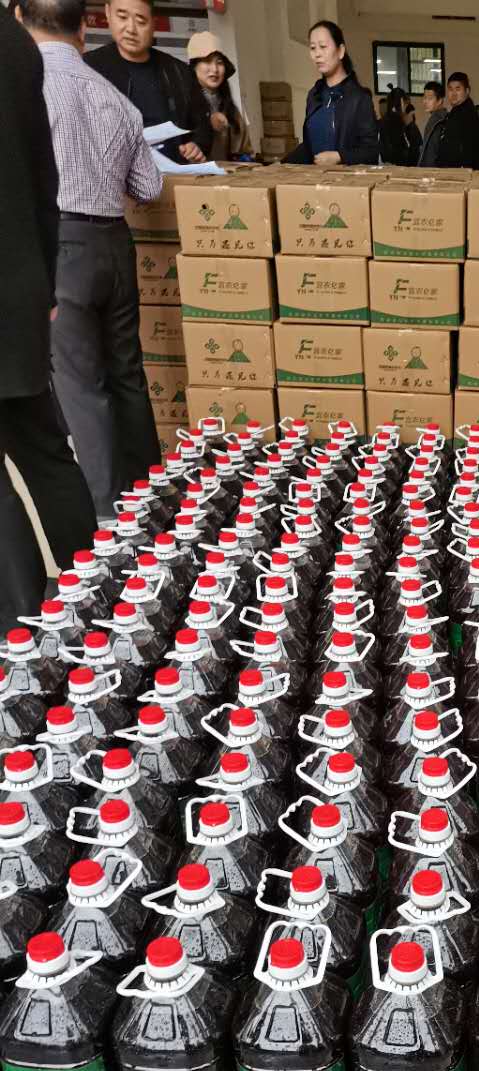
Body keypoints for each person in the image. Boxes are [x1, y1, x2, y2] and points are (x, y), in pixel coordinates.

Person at [18, 0, 164, 521]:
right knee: (127, 375)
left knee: (82, 387)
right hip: (115, 245)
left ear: (21, 20)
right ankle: (154, 498)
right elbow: (148, 186)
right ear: (85, 27)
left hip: (61, 247)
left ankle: (111, 518)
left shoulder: (27, 88)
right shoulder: (113, 96)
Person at [0, 4, 96, 624]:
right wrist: (43, 287)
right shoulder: (14, 43)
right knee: (46, 450)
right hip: (20, 285)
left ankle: (22, 634)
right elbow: (44, 179)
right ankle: (99, 591)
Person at [84, 0, 211, 163]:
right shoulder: (87, 69)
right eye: (122, 17)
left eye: (140, 21)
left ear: (153, 23)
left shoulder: (178, 72)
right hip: (112, 175)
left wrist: (197, 145)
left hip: (172, 174)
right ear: (108, 13)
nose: (131, 29)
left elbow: (202, 126)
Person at [286, 20, 378, 167]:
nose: (317, 54)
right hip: (315, 177)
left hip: (346, 179)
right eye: (313, 48)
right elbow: (309, 146)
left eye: (323, 46)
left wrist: (340, 157)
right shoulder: (314, 95)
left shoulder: (359, 98)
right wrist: (279, 165)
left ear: (340, 51)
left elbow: (371, 152)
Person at [187, 31, 252, 163]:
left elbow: (245, 153)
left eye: (219, 62)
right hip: (192, 175)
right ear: (194, 66)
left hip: (226, 175)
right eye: (207, 61)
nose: (215, 69)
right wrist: (207, 123)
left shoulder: (231, 110)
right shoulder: (182, 104)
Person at [439, 70, 479, 169]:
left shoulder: (466, 113)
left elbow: (467, 150)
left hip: (461, 173)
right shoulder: (457, 111)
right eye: (450, 89)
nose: (453, 94)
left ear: (467, 91)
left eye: (458, 89)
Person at [378, 85, 412, 166]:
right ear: (401, 102)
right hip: (398, 164)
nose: (407, 107)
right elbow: (404, 146)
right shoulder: (397, 120)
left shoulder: (386, 119)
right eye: (406, 103)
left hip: (388, 163)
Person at [417, 79, 448, 167]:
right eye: (424, 97)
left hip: (432, 170)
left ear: (440, 100)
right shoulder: (440, 118)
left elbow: (432, 153)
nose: (425, 101)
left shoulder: (438, 120)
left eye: (430, 98)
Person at [404, 100, 422, 165]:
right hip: (412, 152)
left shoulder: (412, 126)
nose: (413, 116)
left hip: (414, 152)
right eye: (412, 114)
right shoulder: (411, 126)